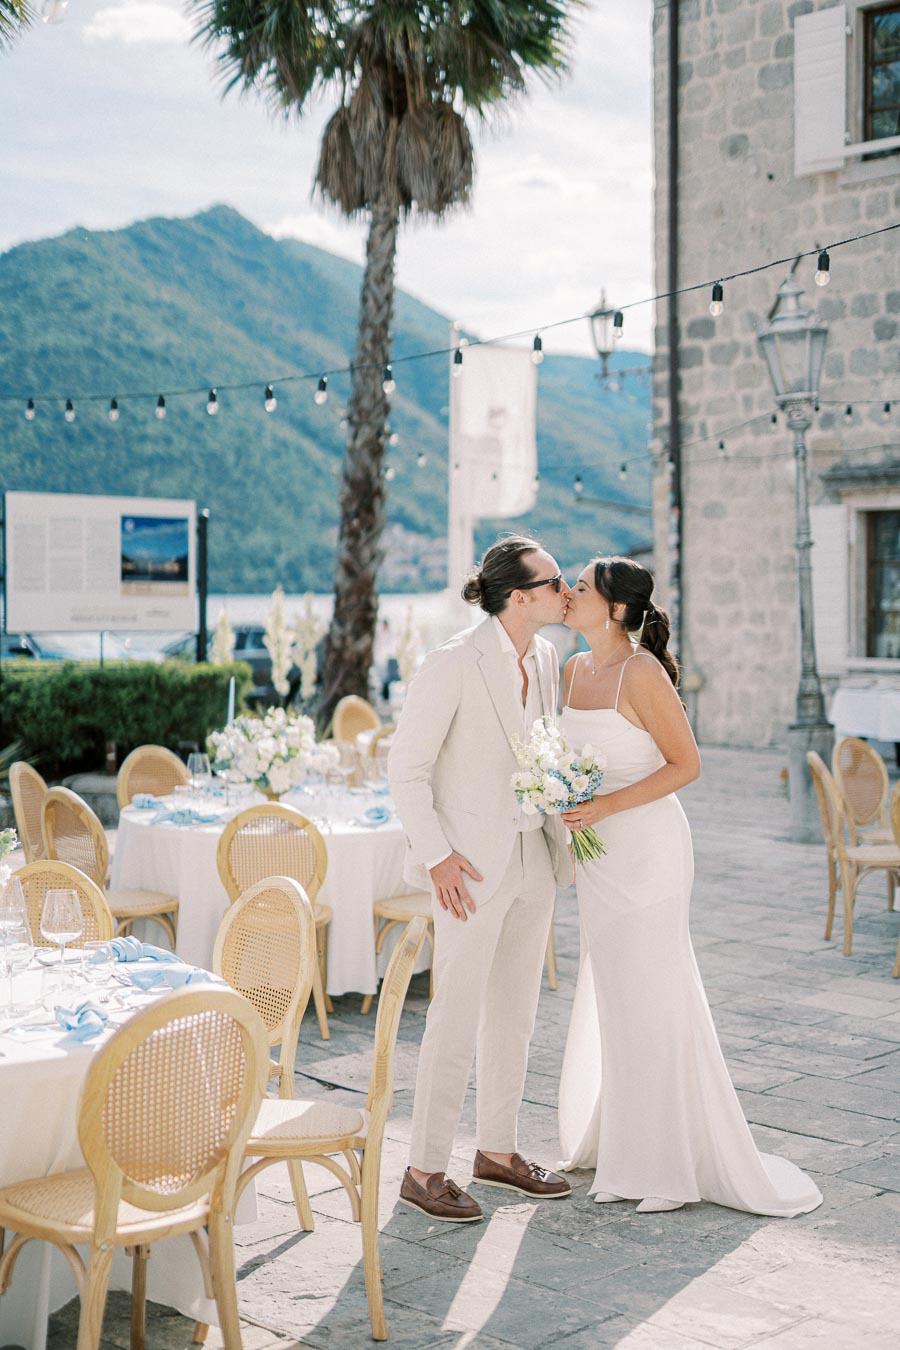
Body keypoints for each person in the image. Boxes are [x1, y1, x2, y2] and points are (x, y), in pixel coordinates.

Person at [557, 555, 822, 1217]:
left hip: (648, 850)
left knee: (655, 995)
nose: (568, 594)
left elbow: (687, 764)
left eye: (581, 588)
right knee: (615, 997)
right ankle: (623, 1152)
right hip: (598, 857)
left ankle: (668, 1166)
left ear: (615, 609)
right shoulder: (572, 670)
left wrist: (607, 809)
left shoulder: (641, 672)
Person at [388, 535, 575, 1222]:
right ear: (519, 597)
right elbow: (404, 769)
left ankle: (497, 1152)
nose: (568, 590)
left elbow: (543, 748)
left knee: (516, 1018)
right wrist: (436, 855)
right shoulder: (453, 662)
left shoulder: (549, 658)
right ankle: (423, 1167)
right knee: (454, 1018)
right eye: (556, 581)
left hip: (534, 858)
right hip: (467, 868)